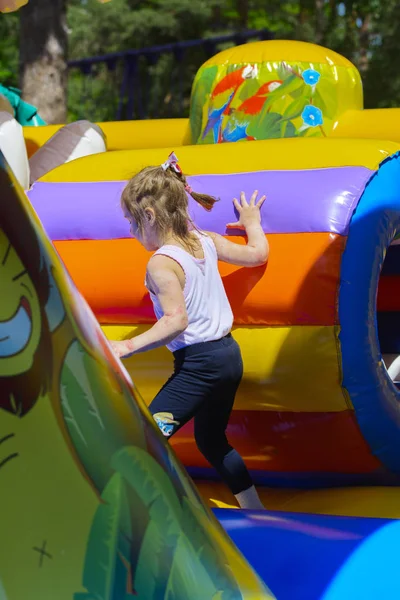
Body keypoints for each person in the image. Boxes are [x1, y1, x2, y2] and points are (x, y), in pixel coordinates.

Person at [110, 152, 268, 509]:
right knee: (212, 442)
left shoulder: (161, 262)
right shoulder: (205, 240)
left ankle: (155, 516)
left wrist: (126, 346)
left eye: (133, 224)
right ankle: (257, 512)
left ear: (149, 216)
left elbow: (175, 320)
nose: (133, 233)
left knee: (146, 440)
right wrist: (252, 222)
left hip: (200, 365)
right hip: (229, 357)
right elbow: (257, 254)